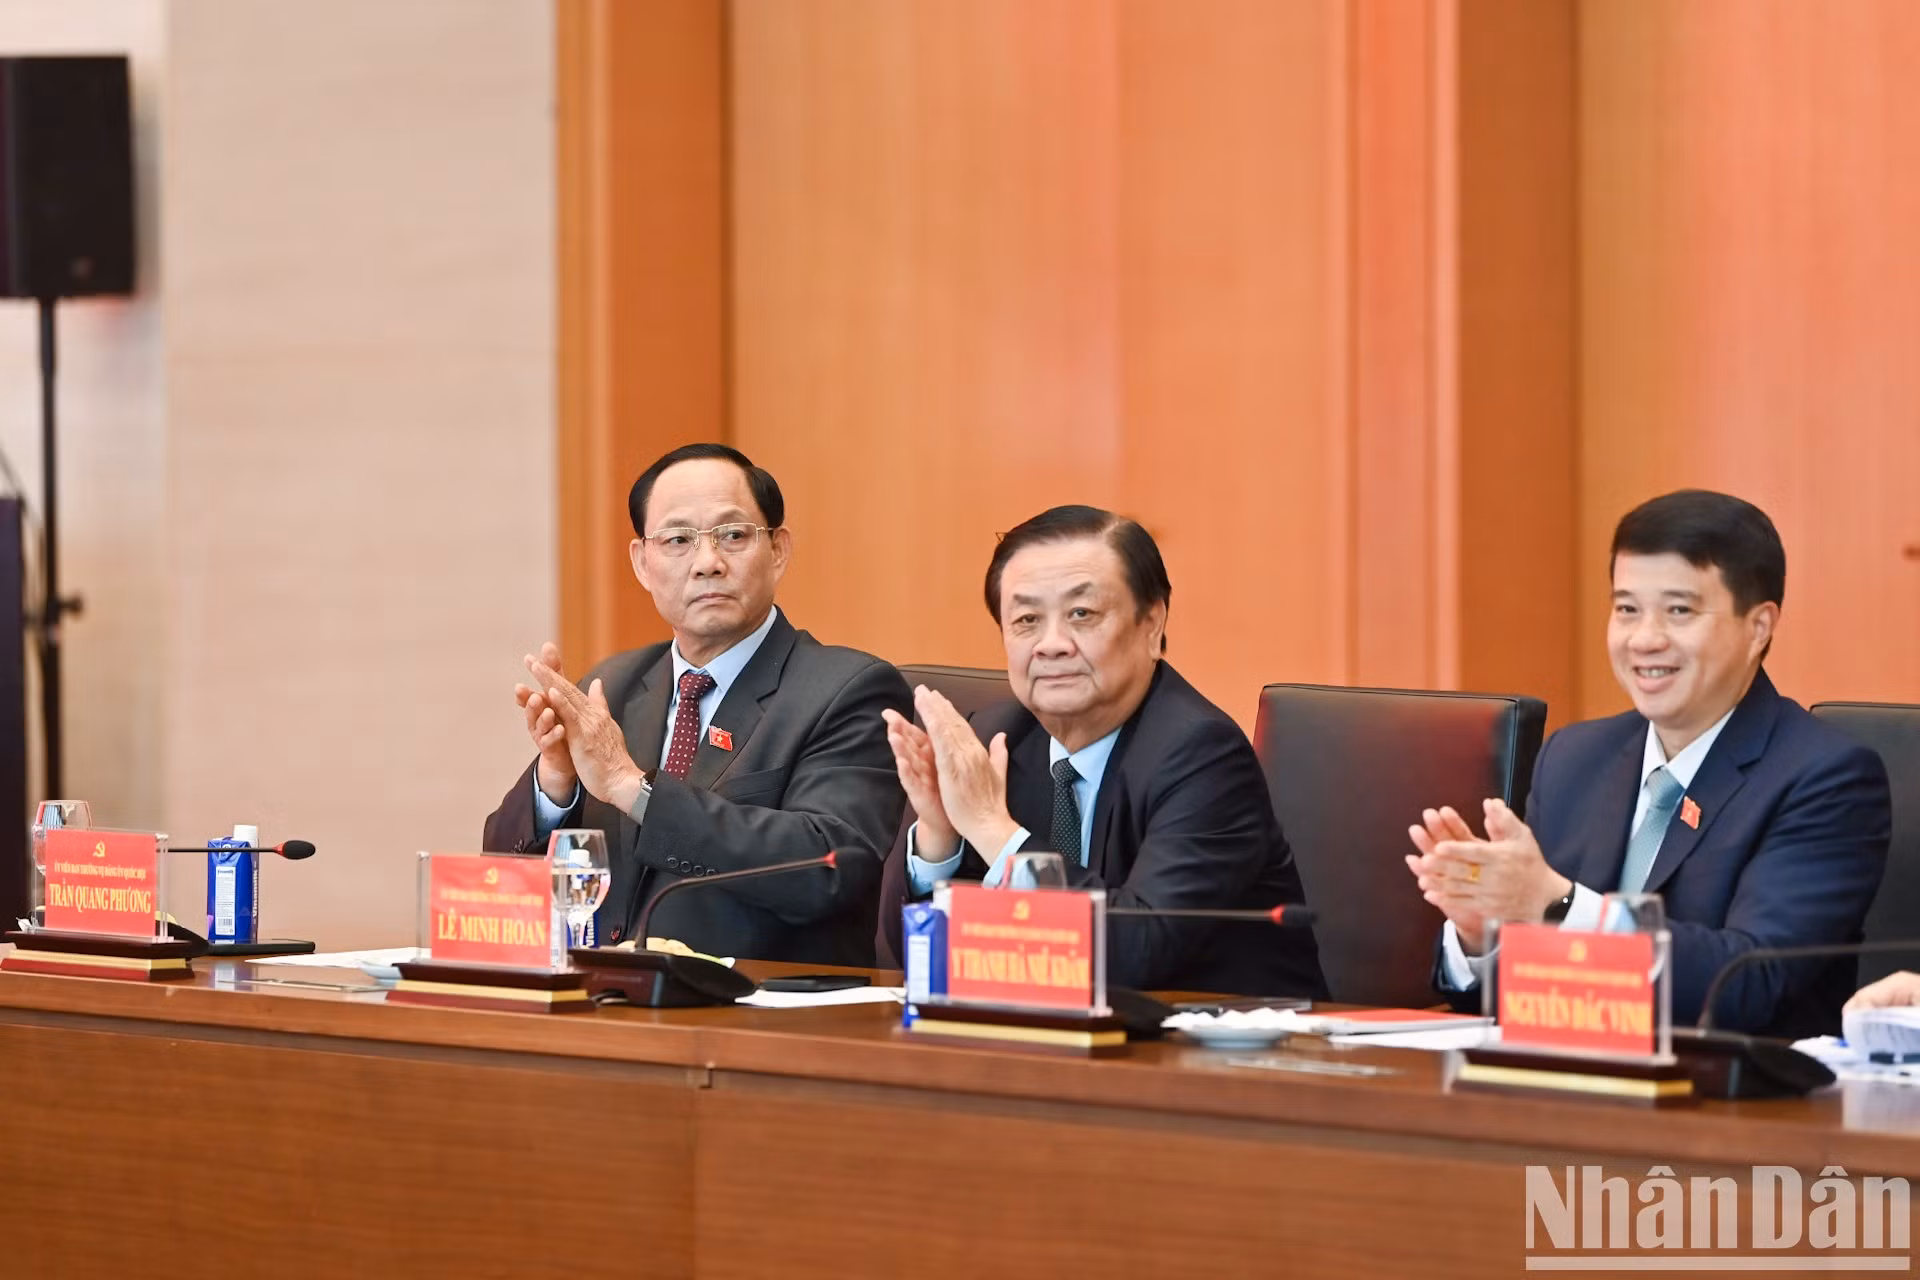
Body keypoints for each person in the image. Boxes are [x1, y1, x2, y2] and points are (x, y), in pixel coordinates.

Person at [1406, 489, 1890, 1037]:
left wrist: (1556, 904)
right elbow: (1514, 1002)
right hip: (1562, 1076)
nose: (1644, 639)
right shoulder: (1574, 759)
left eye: (1679, 611)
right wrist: (1485, 933)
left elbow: (1750, 984)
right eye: (1627, 609)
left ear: (1758, 627)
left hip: (1736, 1086)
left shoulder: (1825, 777)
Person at [484, 443, 910, 965]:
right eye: (678, 540)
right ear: (642, 563)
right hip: (605, 994)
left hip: (757, 1002)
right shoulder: (612, 686)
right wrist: (556, 784)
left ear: (777, 549)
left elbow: (829, 869)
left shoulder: (848, 690)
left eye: (733, 536)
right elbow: (500, 875)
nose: (708, 563)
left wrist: (631, 787)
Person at [880, 504, 1325, 997]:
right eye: (1027, 619)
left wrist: (991, 827)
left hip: (1229, 1037)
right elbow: (914, 955)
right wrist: (941, 838)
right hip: (1050, 1032)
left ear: (1151, 625)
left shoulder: (1203, 754)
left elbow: (1136, 954)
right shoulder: (998, 738)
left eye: (1082, 614)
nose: (1051, 644)